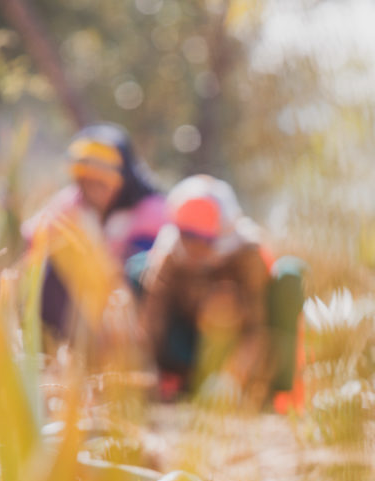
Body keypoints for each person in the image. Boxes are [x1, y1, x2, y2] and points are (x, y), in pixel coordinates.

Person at [129, 175, 305, 409]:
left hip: (243, 348)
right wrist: (140, 366)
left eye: (201, 239)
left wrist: (231, 377)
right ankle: (182, 381)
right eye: (186, 235)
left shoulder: (247, 253)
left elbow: (257, 328)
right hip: (190, 345)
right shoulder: (170, 252)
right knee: (137, 268)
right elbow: (153, 320)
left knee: (290, 274)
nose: (192, 247)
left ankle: (267, 392)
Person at [22, 123, 166, 347]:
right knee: (49, 261)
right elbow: (33, 236)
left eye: (101, 181)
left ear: (122, 177)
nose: (92, 188)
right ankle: (56, 347)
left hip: (132, 318)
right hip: (86, 312)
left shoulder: (152, 209)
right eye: (85, 180)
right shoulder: (73, 203)